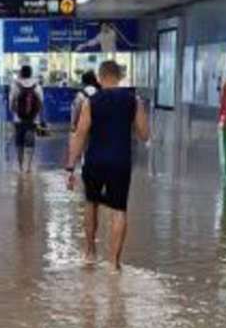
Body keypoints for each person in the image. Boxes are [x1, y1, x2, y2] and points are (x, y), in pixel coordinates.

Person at [65, 60, 150, 269]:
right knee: (119, 210)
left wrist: (70, 166)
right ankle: (114, 263)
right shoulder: (134, 101)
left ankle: (90, 252)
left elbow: (80, 134)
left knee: (91, 204)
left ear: (100, 78)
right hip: (121, 161)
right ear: (120, 77)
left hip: (95, 161)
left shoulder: (90, 102)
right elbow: (144, 134)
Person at [9, 65, 45, 172]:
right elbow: (41, 102)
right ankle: (28, 166)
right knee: (30, 141)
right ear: (31, 73)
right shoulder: (37, 86)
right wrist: (37, 114)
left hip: (18, 118)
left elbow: (11, 102)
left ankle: (20, 166)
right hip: (32, 119)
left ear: (21, 73)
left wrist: (14, 112)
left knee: (19, 141)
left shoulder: (15, 85)